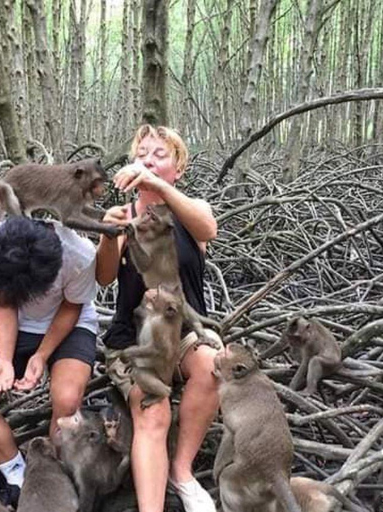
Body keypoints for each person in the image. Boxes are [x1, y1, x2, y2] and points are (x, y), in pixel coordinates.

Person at [96, 125, 221, 512]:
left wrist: (159, 189)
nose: (148, 160)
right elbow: (102, 277)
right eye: (142, 154)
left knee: (214, 363)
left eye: (160, 155)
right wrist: (106, 234)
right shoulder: (123, 216)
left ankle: (180, 473)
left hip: (182, 331)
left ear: (178, 168)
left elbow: (209, 229)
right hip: (134, 341)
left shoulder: (191, 211)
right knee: (154, 409)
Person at [0, 216, 99, 506]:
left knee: (67, 401)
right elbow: (4, 303)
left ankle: (57, 477)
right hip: (17, 325)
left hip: (72, 322)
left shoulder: (79, 255)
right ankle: (17, 475)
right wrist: (4, 360)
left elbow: (72, 307)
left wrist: (41, 356)